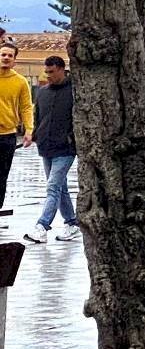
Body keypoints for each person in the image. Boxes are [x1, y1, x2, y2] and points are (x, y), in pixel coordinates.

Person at [24, 54, 78, 243]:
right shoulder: (42, 92)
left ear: (62, 69)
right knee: (60, 187)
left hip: (66, 148)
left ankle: (42, 226)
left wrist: (71, 138)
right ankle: (72, 222)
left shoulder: (75, 92)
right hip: (46, 147)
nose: (48, 76)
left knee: (53, 187)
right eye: (46, 72)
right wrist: (33, 135)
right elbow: (38, 117)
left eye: (52, 72)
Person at [0, 43, 34, 214]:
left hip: (7, 135)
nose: (6, 58)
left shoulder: (20, 82)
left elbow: (26, 107)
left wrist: (29, 129)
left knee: (2, 175)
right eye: (3, 54)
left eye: (9, 56)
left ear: (14, 60)